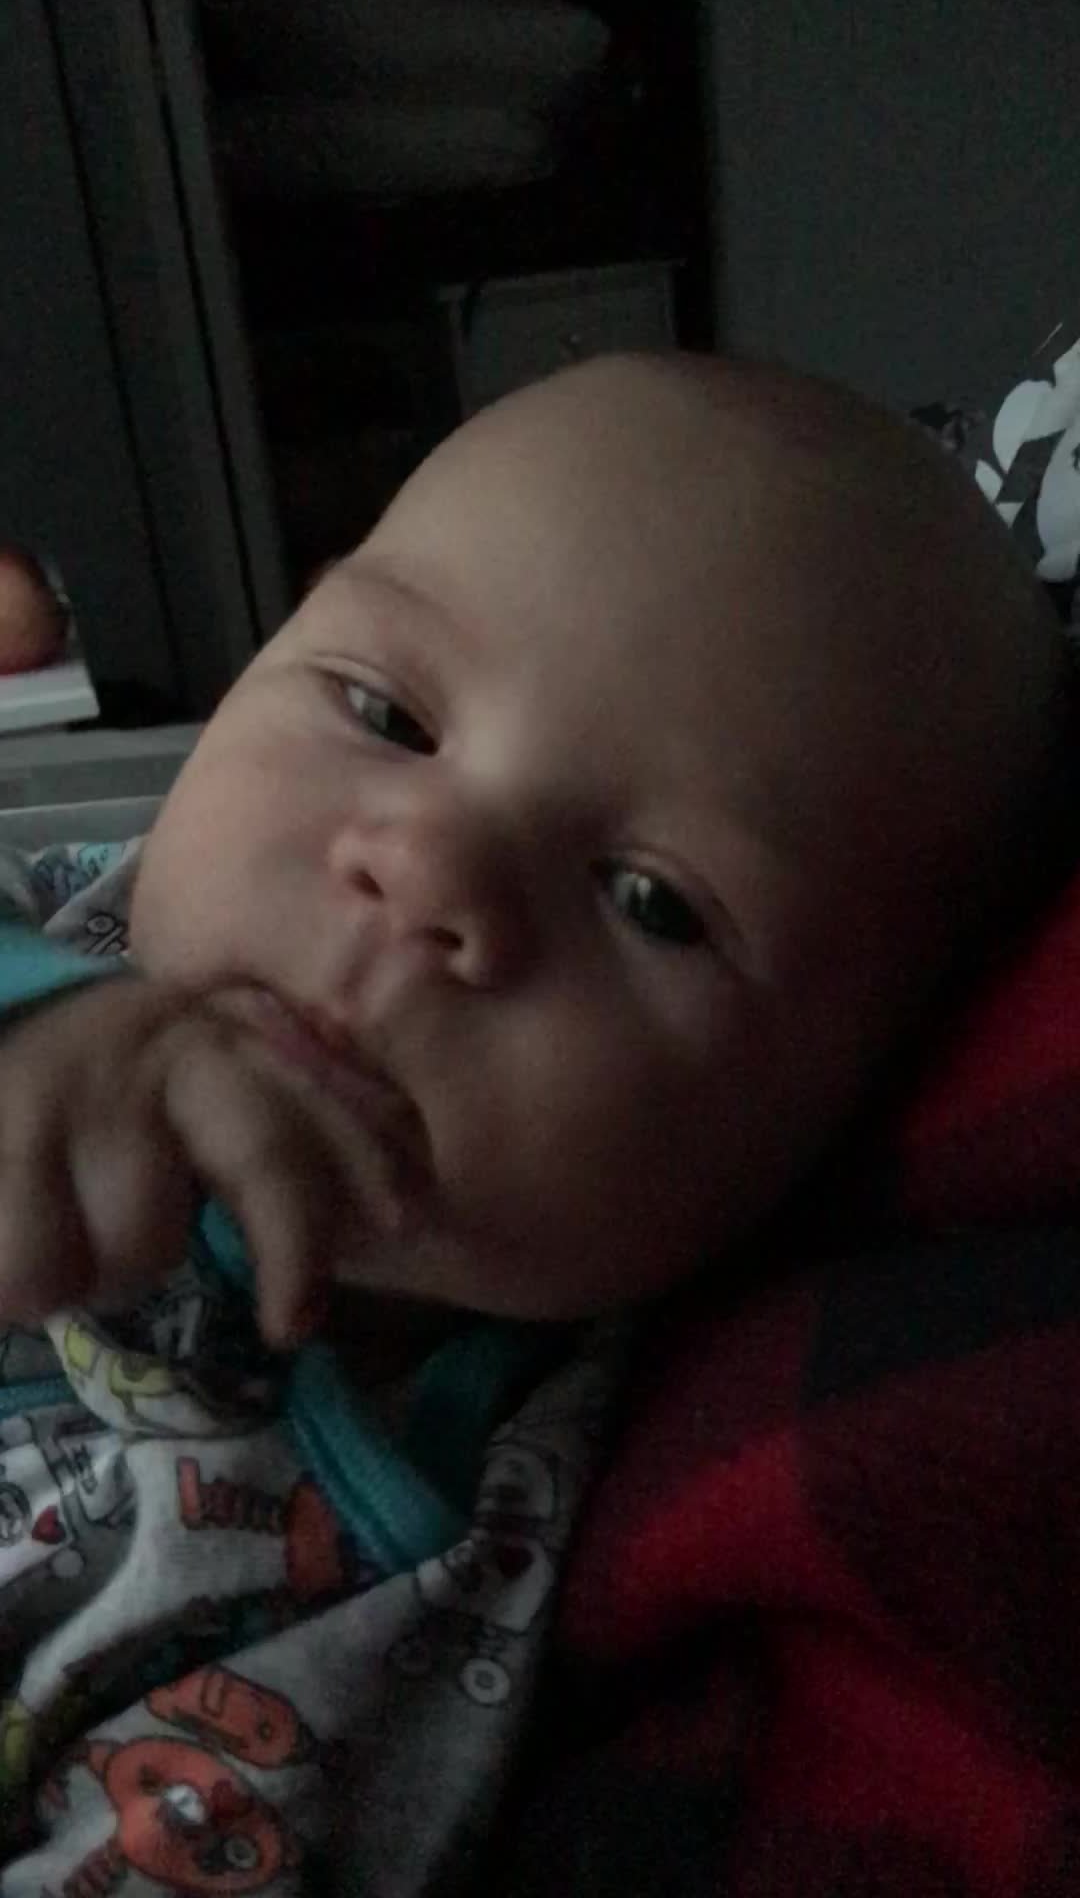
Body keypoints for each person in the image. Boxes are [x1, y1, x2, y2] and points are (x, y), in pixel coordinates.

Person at [0, 353, 1069, 1891]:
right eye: (385, 712)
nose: (428, 865)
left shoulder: (478, 1556)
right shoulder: (63, 935)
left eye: (651, 901)